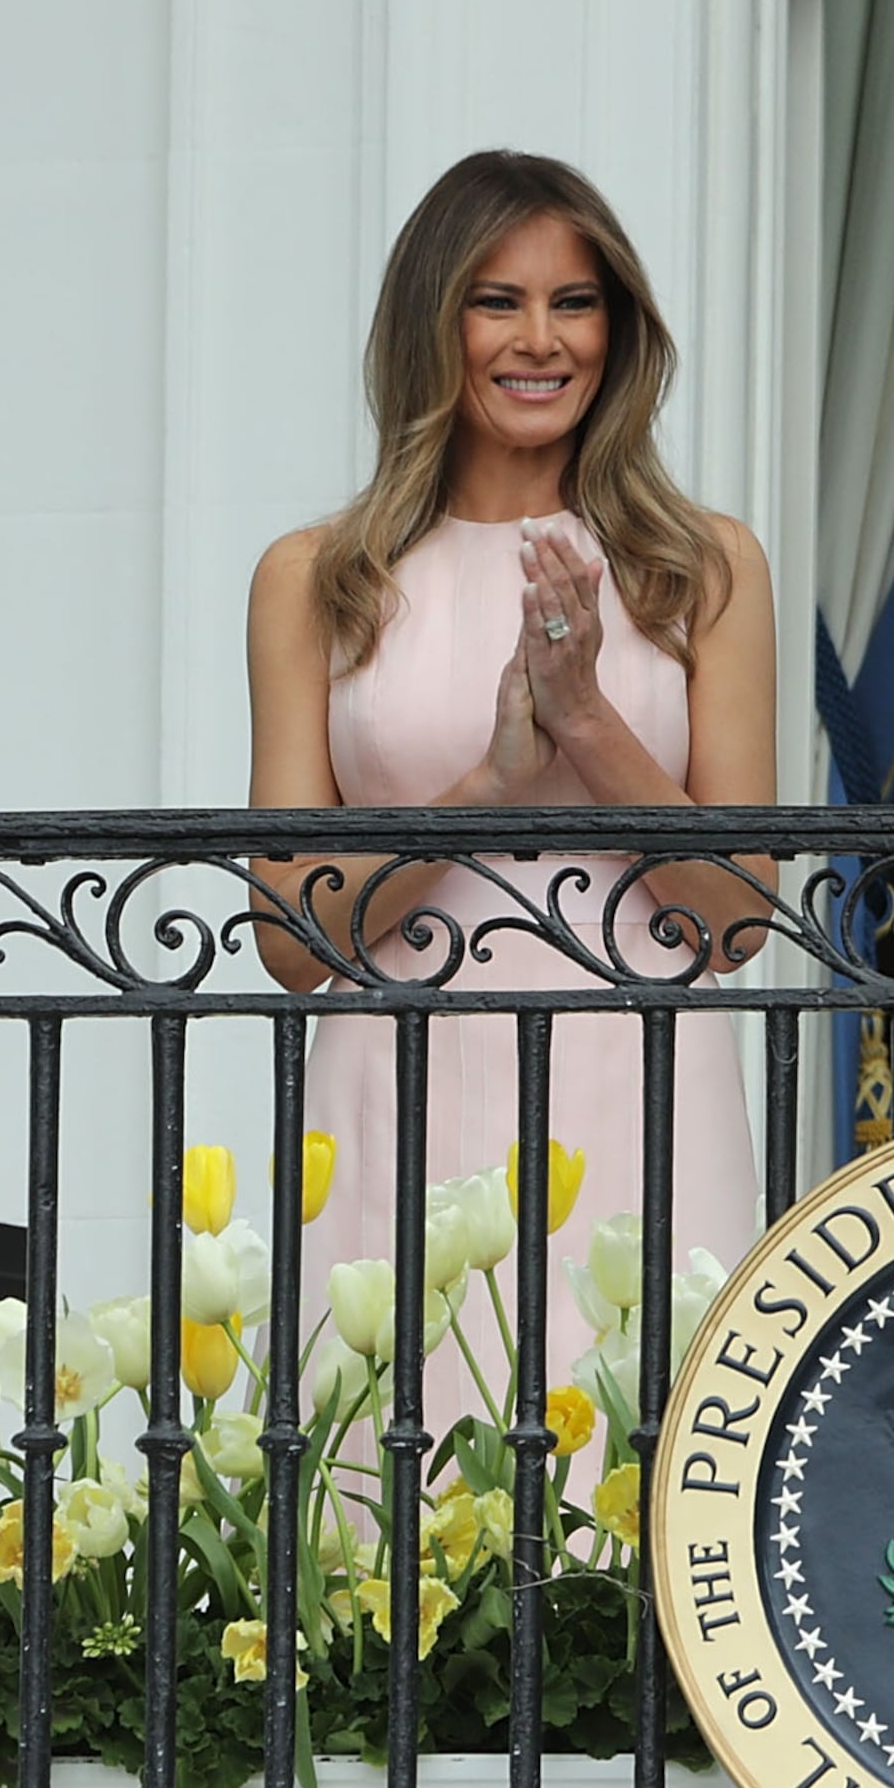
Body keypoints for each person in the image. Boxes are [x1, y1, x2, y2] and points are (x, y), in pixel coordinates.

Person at [246, 152, 774, 1431]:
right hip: (399, 1076)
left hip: (641, 1069)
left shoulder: (703, 567)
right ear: (436, 323)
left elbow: (744, 918)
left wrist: (589, 719)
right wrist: (488, 781)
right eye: (497, 301)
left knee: (639, 1472)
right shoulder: (318, 577)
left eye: (575, 303)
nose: (541, 340)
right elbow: (286, 934)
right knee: (389, 1491)